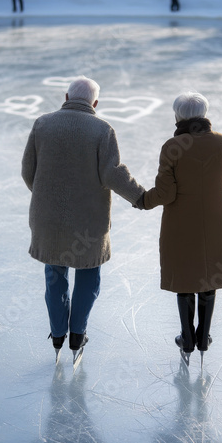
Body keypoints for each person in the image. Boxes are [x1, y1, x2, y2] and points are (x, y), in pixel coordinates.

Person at [21, 76, 144, 360]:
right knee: (88, 273)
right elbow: (112, 174)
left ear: (66, 97)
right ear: (95, 103)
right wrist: (140, 197)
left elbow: (29, 171)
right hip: (88, 223)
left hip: (48, 219)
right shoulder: (102, 130)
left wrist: (45, 198)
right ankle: (77, 334)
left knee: (55, 275)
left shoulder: (42, 124)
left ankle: (57, 334)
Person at [135, 92, 222, 363]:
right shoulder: (221, 142)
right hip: (214, 218)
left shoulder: (172, 146)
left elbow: (166, 193)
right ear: (204, 114)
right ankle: (204, 337)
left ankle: (187, 338)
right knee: (208, 274)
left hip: (181, 220)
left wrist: (143, 200)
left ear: (178, 116)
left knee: (184, 276)